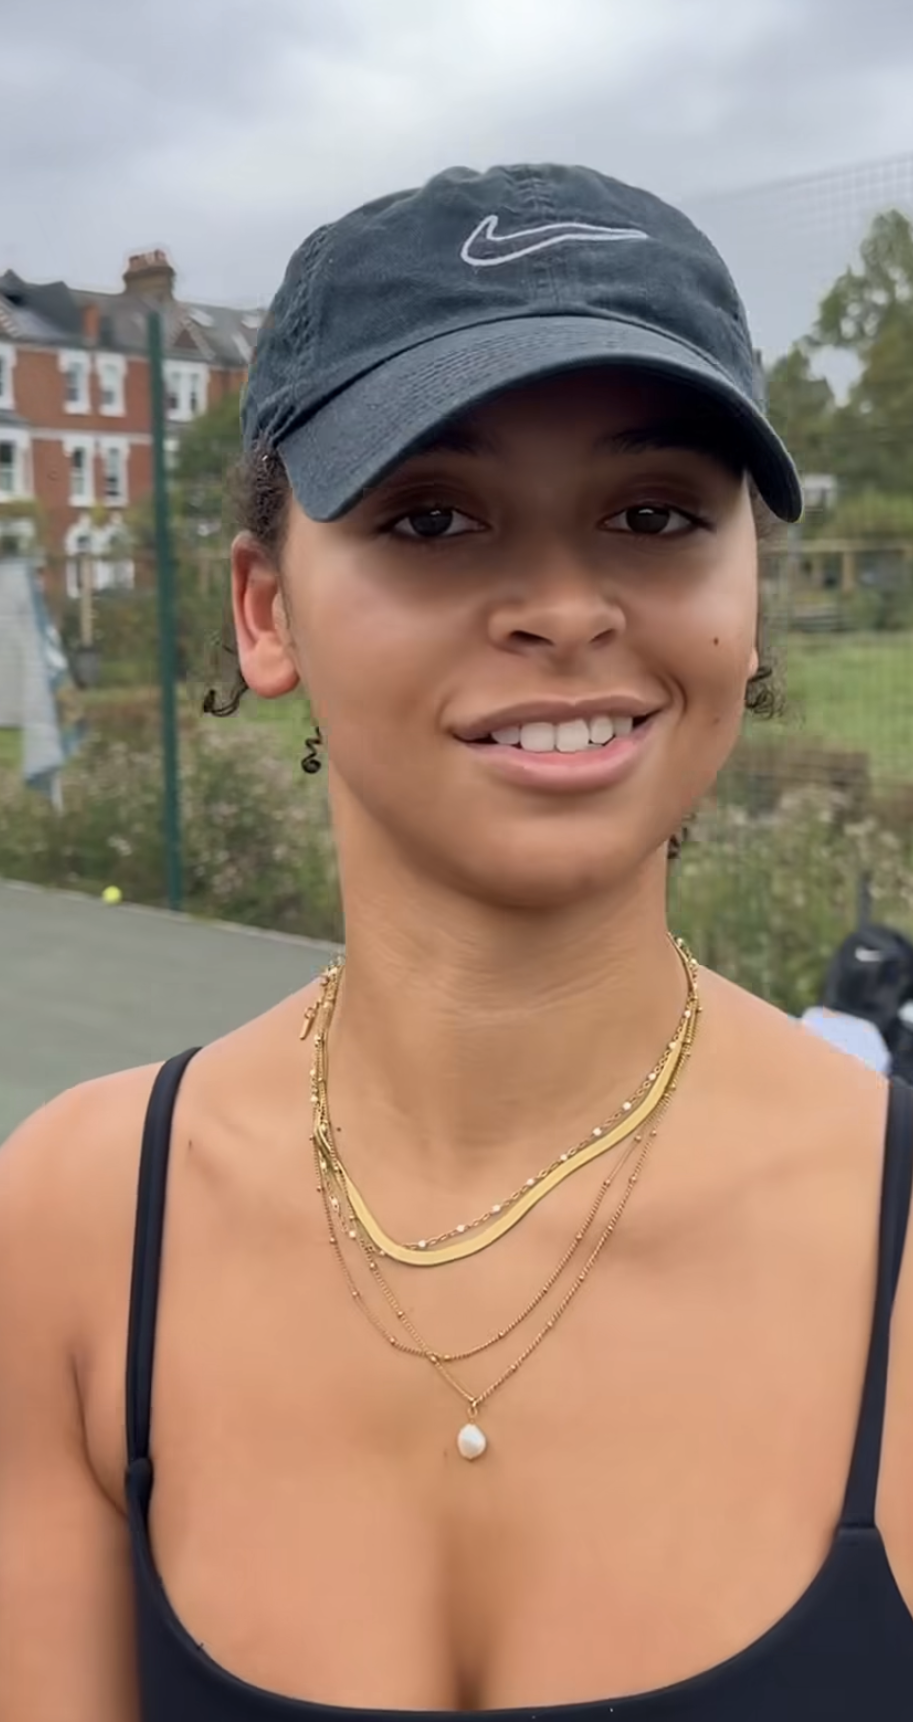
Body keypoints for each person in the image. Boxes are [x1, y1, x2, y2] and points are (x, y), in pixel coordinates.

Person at [0, 163, 911, 1722]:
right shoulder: (71, 1232)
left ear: (749, 597)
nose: (564, 605)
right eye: (432, 516)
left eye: (654, 514)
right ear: (265, 613)